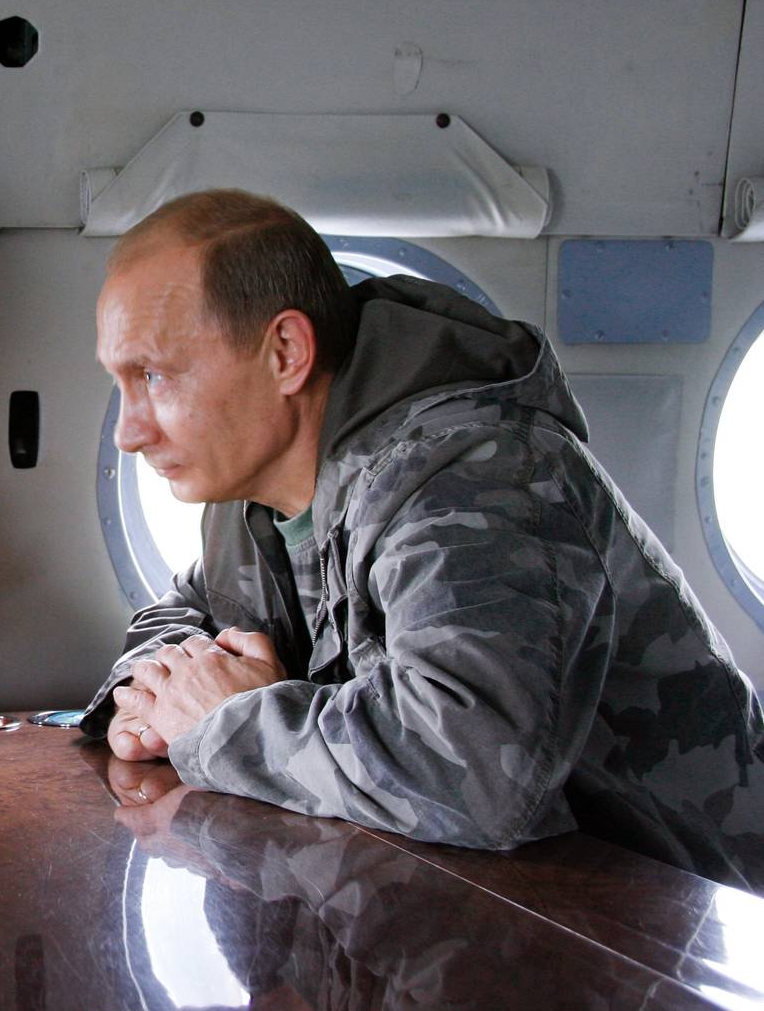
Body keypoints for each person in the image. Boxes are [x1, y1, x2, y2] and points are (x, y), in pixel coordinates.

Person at [81, 187, 764, 892]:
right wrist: (155, 691)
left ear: (285, 352)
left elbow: (472, 769)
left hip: (691, 912)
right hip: (497, 897)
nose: (129, 432)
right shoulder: (252, 500)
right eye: (121, 383)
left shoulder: (476, 471)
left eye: (154, 376)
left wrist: (222, 720)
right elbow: (182, 613)